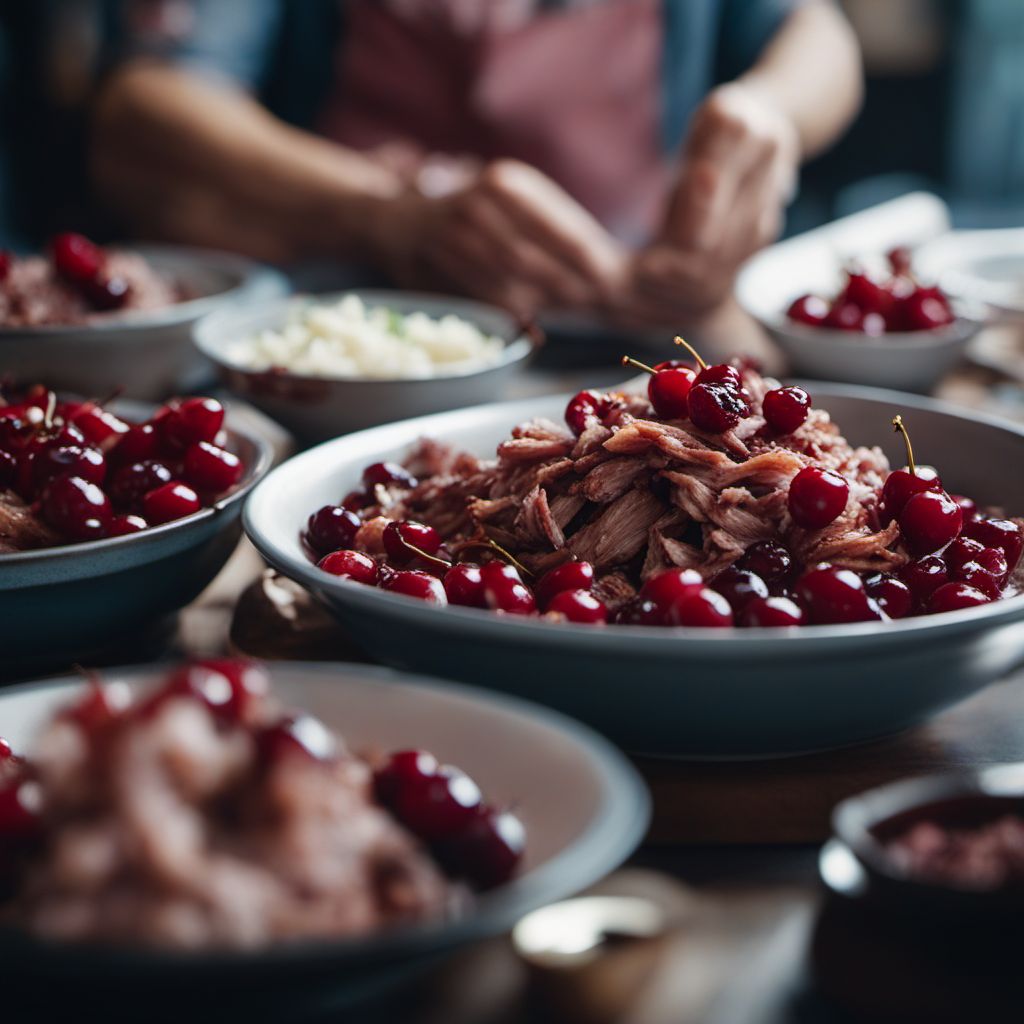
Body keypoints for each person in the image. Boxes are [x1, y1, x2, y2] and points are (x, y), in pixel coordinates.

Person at [91, 0, 861, 330]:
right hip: (364, 327)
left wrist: (771, 113)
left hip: (650, 316)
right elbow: (146, 109)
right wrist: (384, 213)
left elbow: (818, 35)